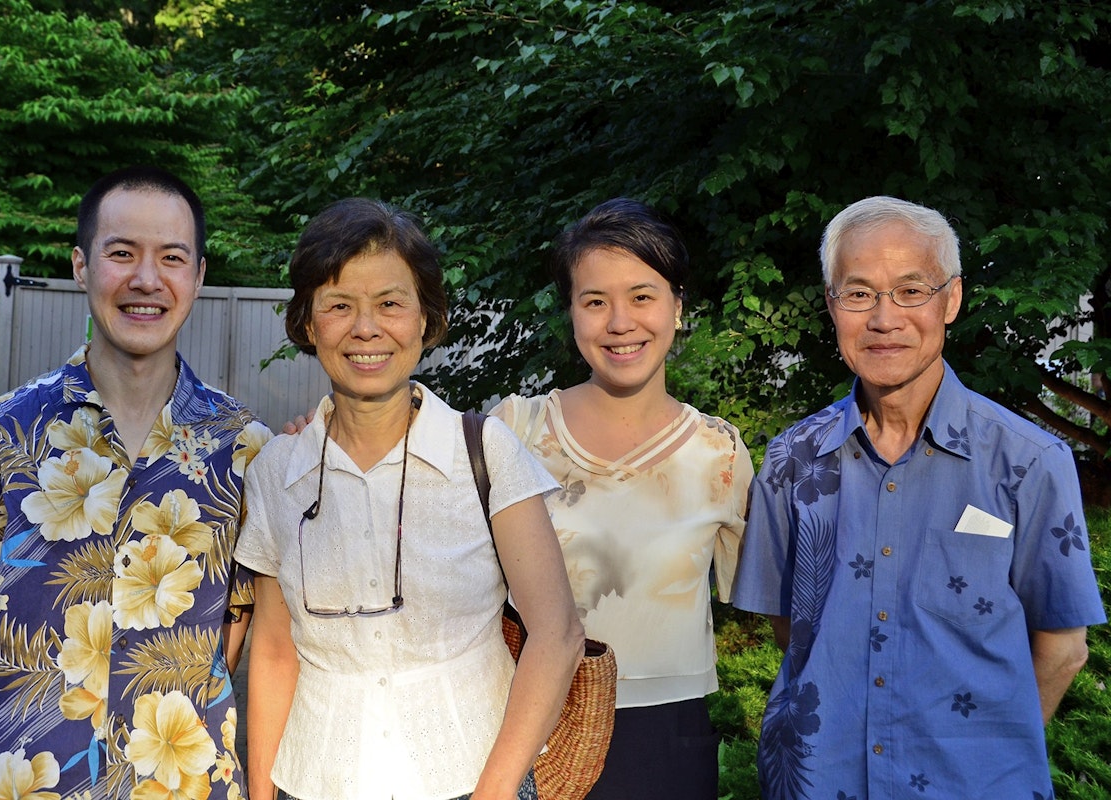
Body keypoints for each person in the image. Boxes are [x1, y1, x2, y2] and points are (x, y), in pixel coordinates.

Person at [0, 166, 271, 799]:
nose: (146, 279)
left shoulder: (243, 449)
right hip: (15, 780)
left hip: (180, 782)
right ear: (81, 265)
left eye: (172, 258)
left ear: (198, 277)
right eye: (122, 253)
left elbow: (232, 634)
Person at [731, 195, 1107, 799]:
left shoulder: (1029, 463)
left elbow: (1063, 650)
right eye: (858, 294)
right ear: (832, 306)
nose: (884, 318)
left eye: (911, 290)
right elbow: (793, 629)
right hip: (818, 781)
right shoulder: (790, 461)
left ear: (951, 299)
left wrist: (986, 757)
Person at [235, 197, 585, 800]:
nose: (366, 329)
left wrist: (495, 793)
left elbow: (556, 636)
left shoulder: (485, 452)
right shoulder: (278, 470)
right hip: (314, 781)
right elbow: (271, 651)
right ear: (308, 323)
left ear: (425, 319)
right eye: (339, 306)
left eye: (391, 304)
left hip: (474, 780)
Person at [490, 198, 753, 800]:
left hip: (668, 740)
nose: (620, 322)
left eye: (642, 296)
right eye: (595, 301)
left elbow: (770, 603)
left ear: (678, 308)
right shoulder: (513, 432)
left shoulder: (719, 453)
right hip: (532, 725)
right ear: (572, 315)